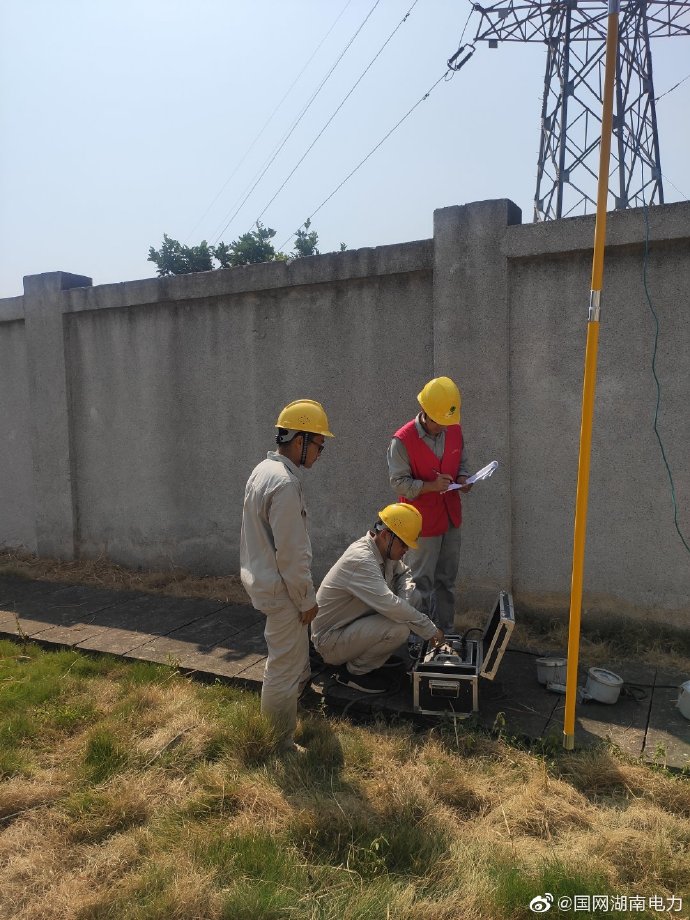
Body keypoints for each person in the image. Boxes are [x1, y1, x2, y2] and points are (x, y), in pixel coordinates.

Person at [240, 399, 334, 752]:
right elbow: (292, 554)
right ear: (299, 440)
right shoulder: (284, 484)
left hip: (267, 581)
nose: (320, 453)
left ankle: (279, 730)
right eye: (319, 444)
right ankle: (278, 744)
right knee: (283, 668)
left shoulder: (263, 471)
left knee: (287, 663)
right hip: (284, 591)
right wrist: (307, 599)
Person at [311, 503, 444, 695]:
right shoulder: (361, 560)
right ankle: (355, 672)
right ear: (386, 535)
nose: (406, 549)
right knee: (399, 629)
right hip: (330, 642)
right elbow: (391, 605)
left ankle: (367, 657)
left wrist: (403, 604)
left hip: (350, 628)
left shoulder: (384, 551)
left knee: (409, 602)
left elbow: (404, 574)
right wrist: (431, 631)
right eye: (403, 544)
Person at [387, 376, 471, 633]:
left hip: (450, 517)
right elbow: (398, 483)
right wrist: (430, 486)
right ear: (425, 412)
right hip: (420, 522)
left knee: (447, 581)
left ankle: (445, 632)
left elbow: (462, 461)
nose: (444, 427)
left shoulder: (453, 428)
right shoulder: (402, 440)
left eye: (447, 421)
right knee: (419, 583)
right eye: (439, 422)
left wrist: (464, 478)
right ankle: (417, 637)